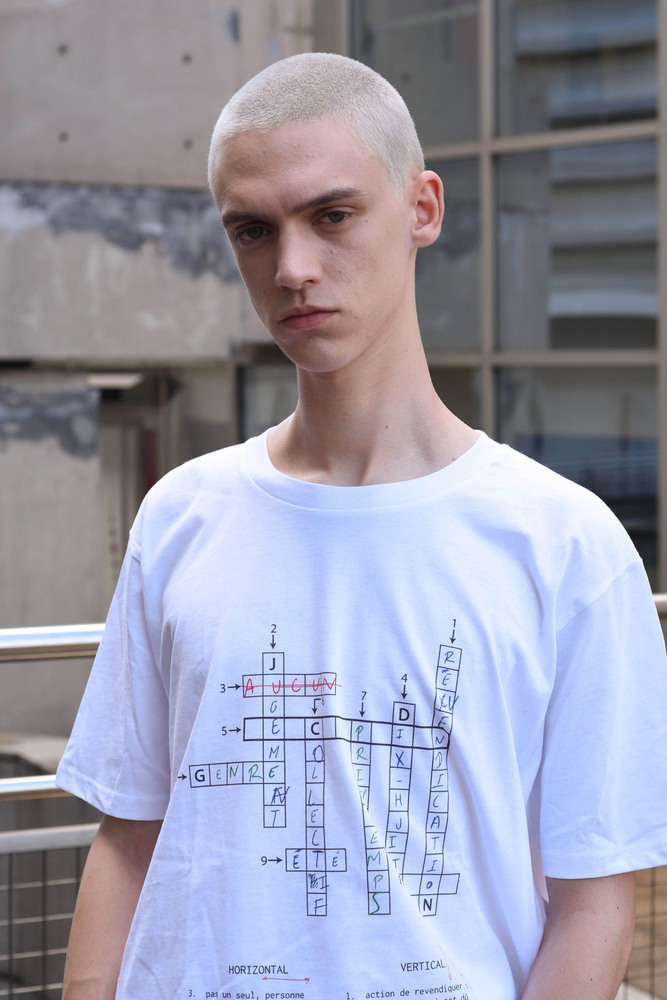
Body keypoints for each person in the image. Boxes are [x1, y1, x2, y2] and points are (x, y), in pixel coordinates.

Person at [57, 53, 667, 1000]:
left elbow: (593, 900)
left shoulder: (565, 544)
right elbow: (130, 836)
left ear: (421, 208)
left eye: (332, 215)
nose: (291, 269)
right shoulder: (181, 514)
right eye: (253, 230)